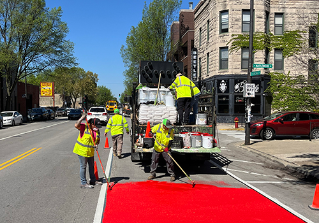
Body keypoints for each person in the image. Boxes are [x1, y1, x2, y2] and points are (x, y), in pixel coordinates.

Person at [73, 113, 102, 189]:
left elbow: (97, 140)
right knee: (83, 167)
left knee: (91, 166)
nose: (97, 128)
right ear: (92, 124)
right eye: (96, 126)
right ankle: (83, 183)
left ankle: (93, 180)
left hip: (90, 151)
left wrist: (96, 145)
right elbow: (76, 125)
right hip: (82, 151)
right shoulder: (85, 127)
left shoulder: (97, 131)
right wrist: (82, 117)